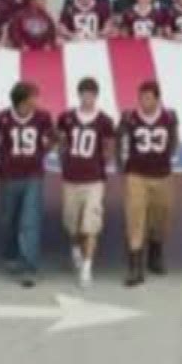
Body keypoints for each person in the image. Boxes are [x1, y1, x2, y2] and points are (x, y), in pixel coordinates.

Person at [0, 82, 56, 287]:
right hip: (9, 175)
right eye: (33, 97)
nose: (36, 101)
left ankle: (29, 266)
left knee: (30, 220)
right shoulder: (2, 118)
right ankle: (11, 254)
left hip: (32, 175)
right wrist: (3, 154)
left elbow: (53, 138)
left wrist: (42, 153)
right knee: (8, 219)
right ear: (22, 101)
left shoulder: (43, 117)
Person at [119, 81, 177, 287]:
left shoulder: (169, 117)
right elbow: (121, 140)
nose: (144, 101)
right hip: (137, 174)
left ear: (157, 98)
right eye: (141, 97)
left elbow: (173, 140)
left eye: (148, 97)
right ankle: (135, 266)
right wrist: (123, 166)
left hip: (161, 174)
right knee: (135, 216)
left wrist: (166, 159)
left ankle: (155, 252)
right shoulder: (129, 118)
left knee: (161, 215)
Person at [58, 77, 115, 287]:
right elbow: (62, 143)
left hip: (94, 179)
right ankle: (75, 249)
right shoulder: (67, 117)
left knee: (91, 224)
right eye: (85, 93)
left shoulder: (105, 121)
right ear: (79, 94)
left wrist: (102, 164)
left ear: (96, 96)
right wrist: (65, 163)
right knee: (72, 224)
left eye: (91, 94)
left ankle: (87, 267)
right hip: (72, 178)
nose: (88, 97)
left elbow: (109, 146)